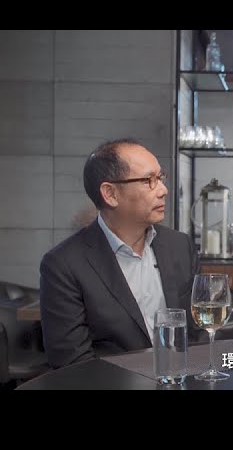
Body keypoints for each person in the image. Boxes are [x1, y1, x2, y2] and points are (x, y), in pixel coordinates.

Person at [40, 138, 200, 369]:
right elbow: (72, 364)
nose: (163, 190)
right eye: (148, 180)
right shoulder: (63, 265)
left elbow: (198, 334)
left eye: (160, 178)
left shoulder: (180, 246)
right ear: (110, 194)